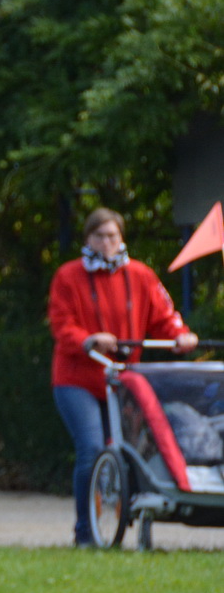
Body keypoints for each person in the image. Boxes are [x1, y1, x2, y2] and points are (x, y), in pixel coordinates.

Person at [47, 207, 195, 546]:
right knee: (92, 448)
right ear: (88, 239)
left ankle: (131, 524)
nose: (106, 243)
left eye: (113, 236)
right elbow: (61, 325)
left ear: (121, 238)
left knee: (131, 451)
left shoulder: (140, 275)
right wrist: (89, 338)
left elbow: (165, 316)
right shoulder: (68, 277)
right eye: (99, 236)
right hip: (76, 380)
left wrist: (181, 335)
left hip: (122, 380)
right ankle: (85, 532)